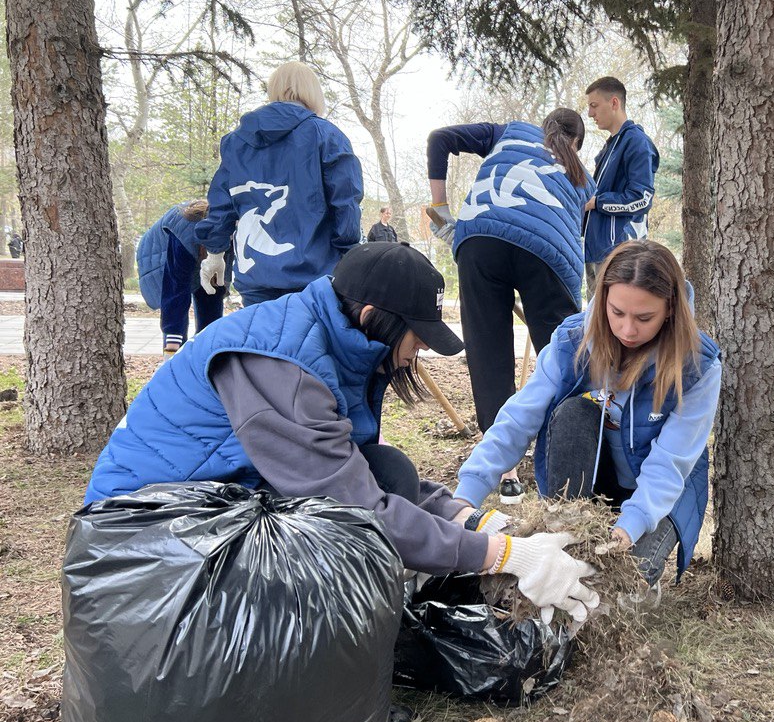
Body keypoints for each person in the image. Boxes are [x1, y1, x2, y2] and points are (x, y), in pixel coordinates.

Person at [86, 241, 598, 626]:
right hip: (147, 540)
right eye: (416, 339)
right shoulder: (281, 365)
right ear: (374, 318)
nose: (416, 352)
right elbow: (357, 509)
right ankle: (323, 670)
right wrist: (504, 555)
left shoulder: (331, 339)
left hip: (207, 507)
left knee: (389, 470)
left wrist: (470, 518)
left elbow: (352, 471)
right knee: (346, 532)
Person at [453, 241, 721, 588]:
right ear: (603, 299)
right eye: (617, 313)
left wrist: (629, 527)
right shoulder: (572, 340)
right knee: (574, 410)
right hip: (593, 479)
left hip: (660, 494)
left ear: (670, 310)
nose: (627, 330)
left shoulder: (697, 366)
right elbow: (518, 421)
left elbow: (670, 462)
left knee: (617, 588)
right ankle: (566, 526)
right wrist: (464, 496)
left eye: (644, 318)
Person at [425, 109, 596, 496]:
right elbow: (577, 230)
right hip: (548, 255)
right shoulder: (583, 176)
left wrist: (441, 209)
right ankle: (568, 458)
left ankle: (505, 474)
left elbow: (440, 138)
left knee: (489, 356)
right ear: (576, 143)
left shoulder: (508, 132)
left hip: (479, 238)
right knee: (565, 355)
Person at [196, 61, 363, 306]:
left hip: (255, 276)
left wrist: (215, 253)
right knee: (309, 343)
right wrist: (348, 253)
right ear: (313, 92)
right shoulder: (327, 136)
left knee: (262, 342)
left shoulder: (236, 142)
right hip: (315, 276)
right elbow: (346, 203)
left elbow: (222, 204)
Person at [583, 77, 659, 288]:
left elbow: (642, 199)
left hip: (620, 253)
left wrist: (597, 202)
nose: (590, 113)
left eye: (594, 105)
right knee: (596, 318)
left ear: (614, 103)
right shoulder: (610, 147)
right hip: (597, 250)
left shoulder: (636, 142)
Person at [135, 200, 228, 354]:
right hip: (160, 256)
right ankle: (176, 359)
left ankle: (205, 356)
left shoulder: (229, 232)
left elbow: (217, 289)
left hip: (201, 252)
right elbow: (175, 288)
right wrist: (172, 349)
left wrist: (211, 341)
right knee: (177, 302)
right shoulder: (185, 229)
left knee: (211, 294)